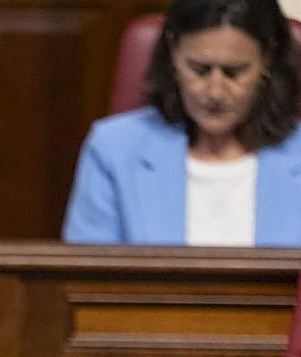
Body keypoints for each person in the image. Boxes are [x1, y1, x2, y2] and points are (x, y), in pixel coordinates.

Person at [63, 0, 301, 245]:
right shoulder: (112, 149)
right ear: (173, 54)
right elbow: (89, 278)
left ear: (267, 60)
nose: (215, 92)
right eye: (199, 69)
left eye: (234, 72)